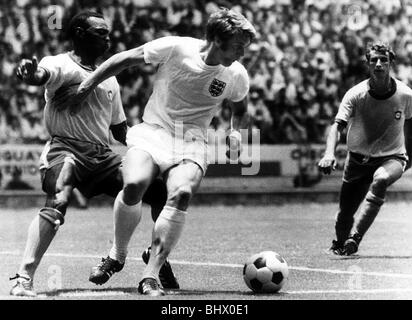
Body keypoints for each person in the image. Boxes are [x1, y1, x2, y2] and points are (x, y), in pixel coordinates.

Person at [67, 7, 256, 296]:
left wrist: (235, 133)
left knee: (181, 194)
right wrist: (86, 86)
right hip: (153, 132)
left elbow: (240, 110)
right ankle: (117, 255)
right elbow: (122, 60)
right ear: (217, 40)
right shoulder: (176, 47)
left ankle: (151, 275)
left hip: (192, 141)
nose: (243, 53)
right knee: (133, 184)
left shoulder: (236, 74)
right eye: (238, 46)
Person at [9, 11, 172, 297]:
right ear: (80, 34)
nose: (108, 38)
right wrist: (30, 73)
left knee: (158, 191)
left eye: (108, 32)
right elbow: (41, 75)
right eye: (101, 33)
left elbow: (120, 130)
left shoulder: (110, 79)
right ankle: (23, 278)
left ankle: (157, 260)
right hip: (66, 149)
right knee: (58, 200)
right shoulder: (60, 64)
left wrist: (151, 151)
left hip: (101, 156)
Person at [318, 43, 412, 256]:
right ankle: (341, 242)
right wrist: (329, 153)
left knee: (380, 180)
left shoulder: (406, 95)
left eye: (383, 60)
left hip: (392, 157)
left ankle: (355, 238)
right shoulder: (355, 94)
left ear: (391, 63)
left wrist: (409, 158)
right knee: (344, 215)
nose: (379, 64)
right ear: (368, 64)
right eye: (374, 60)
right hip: (358, 160)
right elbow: (337, 126)